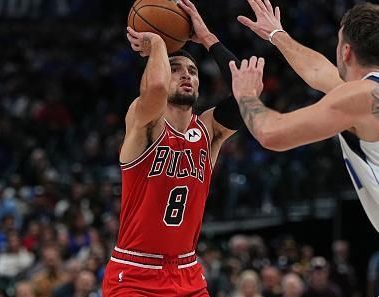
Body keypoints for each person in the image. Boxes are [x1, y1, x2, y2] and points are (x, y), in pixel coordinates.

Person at [102, 0, 245, 296]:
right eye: (176, 69)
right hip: (135, 273)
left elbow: (247, 92)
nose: (187, 76)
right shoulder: (144, 123)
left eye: (193, 71)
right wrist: (157, 45)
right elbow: (154, 89)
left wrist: (206, 38)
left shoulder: (208, 130)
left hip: (187, 272)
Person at [229, 0, 379, 231]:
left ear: (346, 52)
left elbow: (271, 133)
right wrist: (276, 34)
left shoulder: (361, 97)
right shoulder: (365, 92)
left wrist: (246, 95)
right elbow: (318, 71)